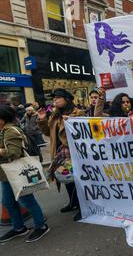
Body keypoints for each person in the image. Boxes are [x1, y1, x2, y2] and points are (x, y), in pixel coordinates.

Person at [0, 105, 50, 243]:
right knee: (8, 202)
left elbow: (13, 153)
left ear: (3, 119)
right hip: (6, 175)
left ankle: (41, 226)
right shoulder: (3, 130)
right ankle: (18, 228)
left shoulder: (10, 131)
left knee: (27, 201)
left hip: (17, 172)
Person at [37, 88, 86, 221]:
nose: (55, 100)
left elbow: (84, 133)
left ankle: (84, 207)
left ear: (67, 99)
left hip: (73, 153)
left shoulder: (78, 113)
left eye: (57, 98)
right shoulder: (54, 115)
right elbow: (48, 133)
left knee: (77, 180)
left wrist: (70, 121)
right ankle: (72, 202)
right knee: (65, 179)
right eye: (53, 98)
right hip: (59, 153)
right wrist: (42, 120)